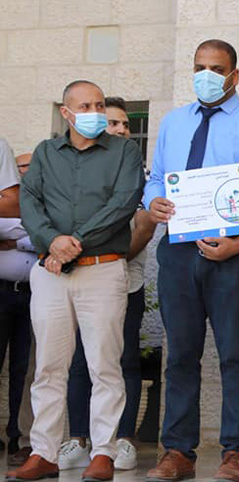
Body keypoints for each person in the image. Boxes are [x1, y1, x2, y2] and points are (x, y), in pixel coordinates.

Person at [144, 39, 239, 482]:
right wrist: (153, 202)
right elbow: (155, 178)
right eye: (200, 67)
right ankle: (177, 451)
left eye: (217, 69)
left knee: (237, 354)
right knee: (180, 354)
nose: (207, 76)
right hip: (178, 250)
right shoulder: (173, 122)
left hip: (234, 252)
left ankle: (236, 451)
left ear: (234, 75)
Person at [8, 80, 144, 482]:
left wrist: (74, 242)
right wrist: (52, 241)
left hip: (102, 268)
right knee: (48, 367)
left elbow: (122, 204)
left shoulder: (124, 151)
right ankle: (43, 453)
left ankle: (102, 452)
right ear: (66, 113)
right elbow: (30, 203)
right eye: (85, 106)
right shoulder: (46, 153)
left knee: (105, 365)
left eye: (99, 105)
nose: (95, 112)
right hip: (51, 271)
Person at [60, 96, 155, 473]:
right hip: (77, 279)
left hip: (124, 282)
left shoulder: (139, 173)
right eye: (113, 123)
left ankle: (121, 439)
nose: (120, 130)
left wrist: (107, 257)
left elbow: (143, 226)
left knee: (123, 360)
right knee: (80, 362)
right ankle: (80, 438)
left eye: (125, 125)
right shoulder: (78, 169)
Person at [0, 142, 32, 468]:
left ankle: (18, 437)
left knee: (27, 369)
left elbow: (46, 232)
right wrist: (29, 232)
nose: (25, 173)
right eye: (21, 168)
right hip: (1, 290)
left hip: (36, 292)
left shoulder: (43, 199)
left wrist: (16, 240)